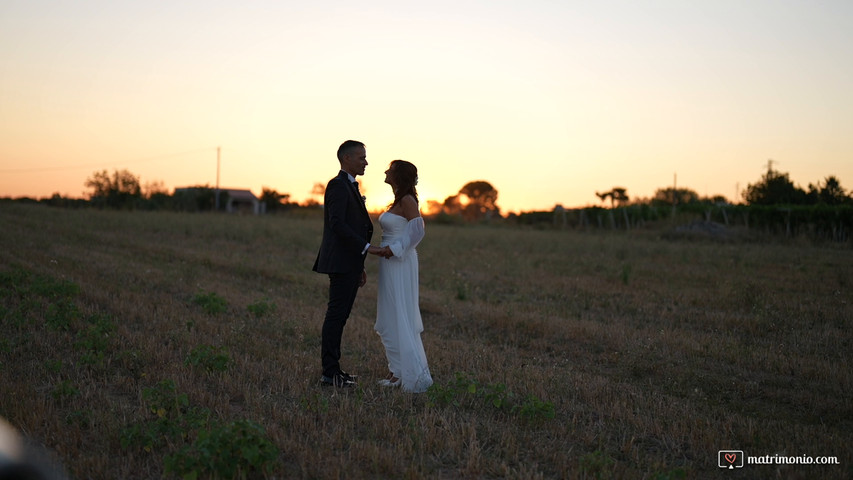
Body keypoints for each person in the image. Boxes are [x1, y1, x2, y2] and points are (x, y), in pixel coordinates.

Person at [313, 140, 388, 388]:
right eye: (361, 157)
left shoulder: (351, 186)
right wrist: (368, 248)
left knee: (340, 317)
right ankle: (329, 373)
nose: (366, 162)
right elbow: (337, 224)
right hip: (340, 262)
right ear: (346, 159)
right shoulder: (337, 185)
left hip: (350, 263)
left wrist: (361, 265)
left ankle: (334, 371)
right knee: (336, 316)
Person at [370, 160, 433, 393]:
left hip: (399, 261)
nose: (386, 172)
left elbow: (418, 230)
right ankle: (396, 372)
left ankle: (407, 374)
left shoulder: (408, 200)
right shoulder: (398, 200)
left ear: (399, 176)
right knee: (389, 314)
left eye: (390, 169)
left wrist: (391, 250)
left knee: (398, 313)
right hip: (391, 263)